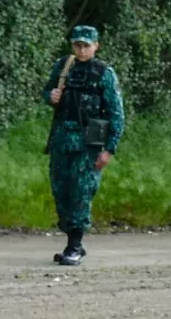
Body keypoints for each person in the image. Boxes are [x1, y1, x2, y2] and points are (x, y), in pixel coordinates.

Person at [44, 27, 124, 267]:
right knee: (61, 191)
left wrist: (109, 149)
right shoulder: (63, 67)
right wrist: (51, 96)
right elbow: (47, 90)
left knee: (81, 192)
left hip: (88, 143)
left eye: (86, 45)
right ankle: (72, 238)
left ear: (96, 46)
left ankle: (74, 244)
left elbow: (116, 114)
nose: (81, 50)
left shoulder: (104, 74)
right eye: (77, 45)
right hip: (61, 140)